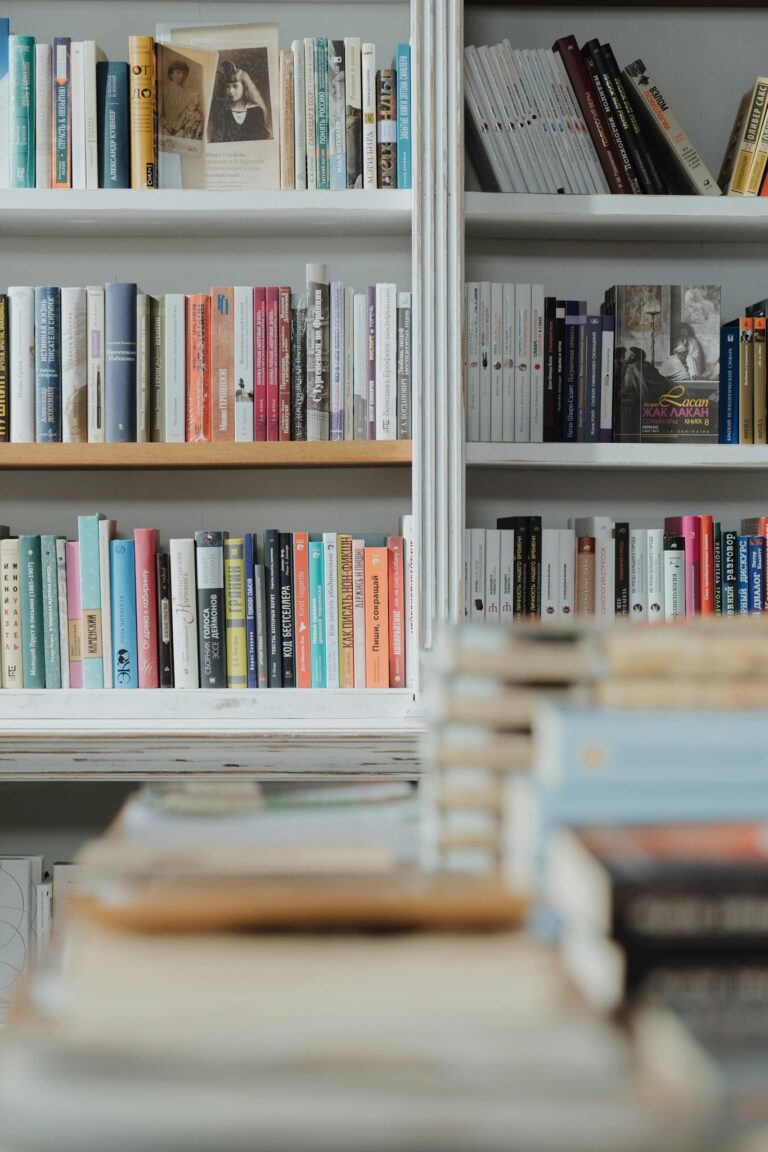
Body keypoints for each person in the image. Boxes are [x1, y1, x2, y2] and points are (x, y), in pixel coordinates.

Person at [208, 59, 272, 143]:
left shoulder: (256, 111)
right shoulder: (221, 111)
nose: (231, 91)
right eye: (228, 87)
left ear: (245, 87)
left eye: (235, 86)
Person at [159, 59, 204, 140]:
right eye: (178, 72)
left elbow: (186, 113)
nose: (182, 75)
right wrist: (166, 125)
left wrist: (178, 127)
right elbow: (159, 112)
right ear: (171, 74)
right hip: (164, 126)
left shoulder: (187, 94)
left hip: (179, 127)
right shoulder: (164, 90)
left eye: (184, 73)